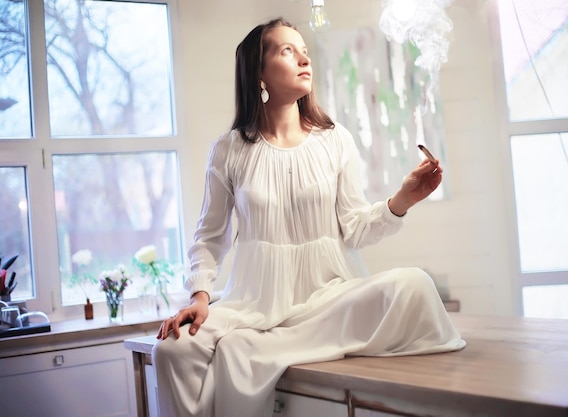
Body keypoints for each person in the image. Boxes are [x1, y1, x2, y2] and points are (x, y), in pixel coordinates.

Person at [152, 17, 466, 417]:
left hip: (328, 297)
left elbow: (354, 229)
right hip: (252, 302)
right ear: (259, 73)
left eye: (304, 50)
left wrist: (402, 200)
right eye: (287, 51)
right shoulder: (228, 150)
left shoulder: (335, 139)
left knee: (414, 284)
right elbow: (209, 236)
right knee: (173, 348)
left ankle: (264, 345)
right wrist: (199, 296)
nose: (304, 59)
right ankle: (261, 342)